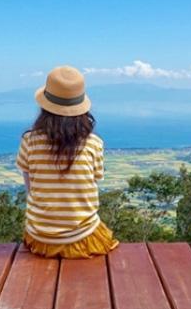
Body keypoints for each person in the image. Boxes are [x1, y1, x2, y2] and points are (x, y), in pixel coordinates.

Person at [16, 65, 119, 259]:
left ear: (45, 106)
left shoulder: (29, 141)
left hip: (41, 239)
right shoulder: (94, 143)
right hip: (84, 239)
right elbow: (93, 182)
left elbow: (31, 189)